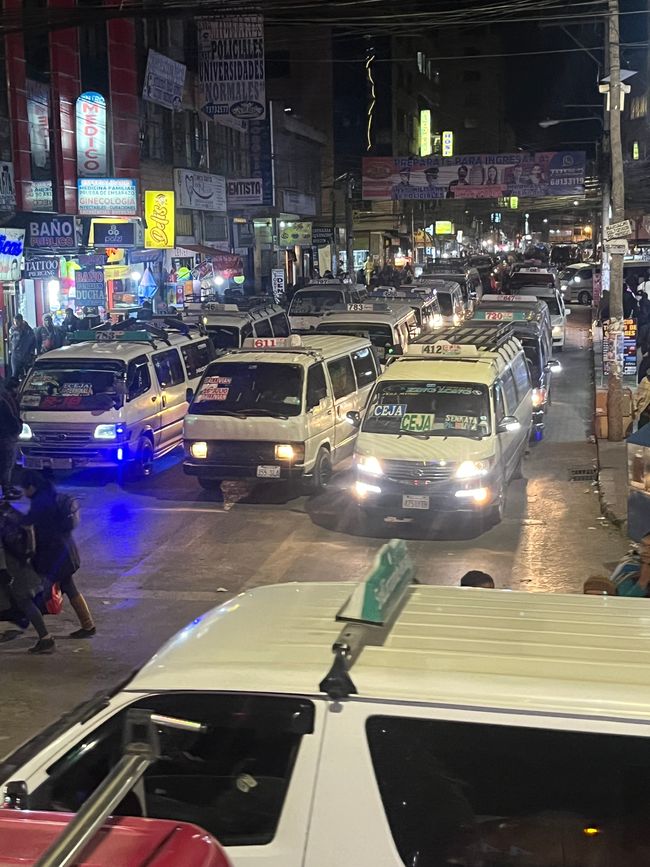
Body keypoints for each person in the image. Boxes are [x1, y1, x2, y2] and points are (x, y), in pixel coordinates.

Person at [20, 470, 95, 639]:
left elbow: (28, 523)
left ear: (32, 487)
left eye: (25, 489)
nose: (24, 493)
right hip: (66, 551)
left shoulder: (40, 502)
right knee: (69, 587)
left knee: (36, 588)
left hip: (54, 555)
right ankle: (88, 625)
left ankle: (40, 627)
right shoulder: (52, 496)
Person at [0, 505, 52, 653]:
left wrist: (3, 570)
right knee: (22, 601)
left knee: (24, 602)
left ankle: (46, 638)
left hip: (12, 569)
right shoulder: (10, 512)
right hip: (22, 565)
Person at [0, 378, 22, 501]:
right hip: (5, 436)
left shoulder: (5, 398)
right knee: (7, 463)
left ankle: (7, 487)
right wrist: (16, 428)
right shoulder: (4, 399)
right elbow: (10, 418)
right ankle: (6, 489)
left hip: (6, 435)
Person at [9, 314, 36, 379]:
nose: (16, 323)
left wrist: (31, 353)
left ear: (21, 320)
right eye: (15, 322)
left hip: (26, 355)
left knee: (28, 374)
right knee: (15, 374)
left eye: (17, 321)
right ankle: (15, 387)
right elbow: (12, 342)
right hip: (15, 355)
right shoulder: (13, 329)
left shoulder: (28, 330)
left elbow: (33, 341)